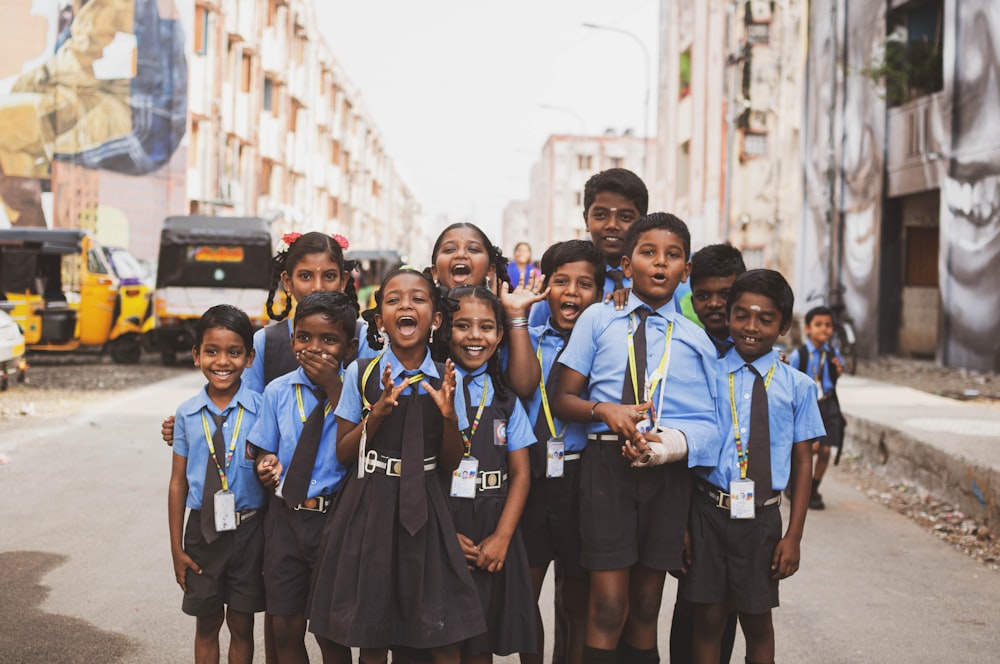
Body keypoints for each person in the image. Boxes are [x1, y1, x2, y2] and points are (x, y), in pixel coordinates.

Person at [552, 213, 721, 664]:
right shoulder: (598, 319)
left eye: (673, 256)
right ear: (626, 266)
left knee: (647, 608)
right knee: (607, 606)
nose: (660, 264)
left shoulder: (696, 339)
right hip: (605, 471)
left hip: (666, 477)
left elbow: (713, 426)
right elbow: (561, 395)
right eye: (648, 253)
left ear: (685, 272)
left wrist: (671, 446)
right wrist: (602, 409)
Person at [307, 269, 485, 663]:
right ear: (378, 320)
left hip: (427, 506)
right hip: (370, 505)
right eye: (393, 299)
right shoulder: (363, 373)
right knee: (373, 634)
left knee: (441, 633)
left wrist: (449, 419)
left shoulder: (446, 379)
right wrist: (379, 413)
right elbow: (343, 453)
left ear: (436, 319)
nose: (406, 305)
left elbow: (452, 463)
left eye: (418, 299)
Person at [680, 269, 826, 664]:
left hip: (761, 521)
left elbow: (802, 460)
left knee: (758, 622)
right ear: (728, 318)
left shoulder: (798, 387)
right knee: (708, 619)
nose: (751, 327)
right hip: (708, 512)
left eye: (765, 319)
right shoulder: (706, 375)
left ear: (782, 326)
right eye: (741, 315)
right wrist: (683, 526)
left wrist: (793, 536)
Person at [246, 291, 359, 664]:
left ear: (349, 346)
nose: (315, 348)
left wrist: (333, 386)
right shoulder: (278, 391)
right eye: (305, 337)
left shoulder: (356, 391)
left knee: (330, 633)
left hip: (335, 522)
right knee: (285, 629)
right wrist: (266, 463)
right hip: (286, 519)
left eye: (329, 340)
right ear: (292, 338)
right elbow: (264, 447)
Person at [519, 240, 604, 664]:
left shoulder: (604, 346)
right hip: (531, 477)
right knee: (525, 593)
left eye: (585, 284)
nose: (572, 292)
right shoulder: (523, 340)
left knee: (577, 595)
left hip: (580, 479)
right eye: (561, 281)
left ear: (600, 293)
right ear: (545, 287)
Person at [167, 304, 265, 664]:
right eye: (211, 351)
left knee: (242, 624)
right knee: (206, 624)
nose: (222, 361)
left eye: (234, 352)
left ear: (249, 357)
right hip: (202, 535)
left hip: (251, 531)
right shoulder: (186, 414)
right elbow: (178, 483)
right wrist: (176, 548)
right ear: (196, 355)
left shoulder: (261, 408)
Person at [444, 285, 537, 660]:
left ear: (500, 336)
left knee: (481, 639)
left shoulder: (504, 398)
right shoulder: (434, 386)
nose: (474, 336)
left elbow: (521, 474)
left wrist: (502, 536)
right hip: (445, 521)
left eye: (485, 327)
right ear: (444, 329)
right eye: (462, 325)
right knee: (443, 635)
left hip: (491, 525)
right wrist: (443, 533)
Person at [669, 242, 747, 664]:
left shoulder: (755, 353)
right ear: (691, 294)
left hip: (738, 502)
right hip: (693, 500)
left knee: (728, 606)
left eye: (726, 294)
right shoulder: (685, 345)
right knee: (692, 603)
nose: (715, 304)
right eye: (704, 295)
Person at [426, 221, 544, 400]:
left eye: (473, 249)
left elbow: (525, 386)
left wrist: (515, 313)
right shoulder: (422, 318)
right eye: (450, 250)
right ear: (434, 271)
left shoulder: (503, 318)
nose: (461, 254)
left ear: (491, 269)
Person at [528, 168, 647, 328]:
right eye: (600, 215)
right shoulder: (561, 282)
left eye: (625, 217)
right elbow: (535, 340)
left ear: (642, 223)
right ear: (586, 220)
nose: (612, 225)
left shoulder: (655, 281)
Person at [786, 306, 846, 510]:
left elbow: (838, 374)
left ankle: (813, 488)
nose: (824, 329)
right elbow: (790, 378)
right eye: (818, 324)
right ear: (808, 328)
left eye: (828, 325)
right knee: (811, 447)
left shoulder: (832, 353)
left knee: (826, 449)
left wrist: (838, 370)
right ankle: (794, 481)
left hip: (828, 404)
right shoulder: (799, 354)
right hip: (807, 404)